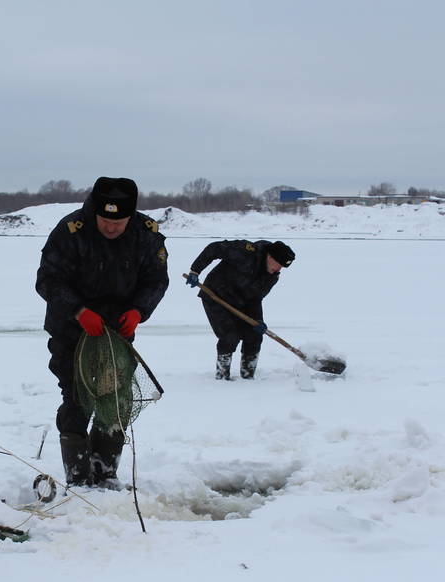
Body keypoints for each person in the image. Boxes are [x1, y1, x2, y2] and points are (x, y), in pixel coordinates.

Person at [36, 177, 169, 487]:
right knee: (76, 398)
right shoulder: (71, 231)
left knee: (117, 399)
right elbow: (48, 280)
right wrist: (78, 311)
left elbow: (156, 280)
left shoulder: (145, 234)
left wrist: (139, 310)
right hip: (72, 329)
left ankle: (105, 473)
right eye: (106, 221)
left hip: (118, 331)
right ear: (95, 211)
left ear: (131, 215)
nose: (112, 228)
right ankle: (79, 478)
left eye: (119, 221)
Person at [185, 239, 295, 380]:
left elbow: (256, 299)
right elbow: (214, 248)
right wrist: (195, 270)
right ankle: (222, 377)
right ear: (270, 256)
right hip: (215, 296)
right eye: (279, 264)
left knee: (254, 335)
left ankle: (248, 376)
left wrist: (258, 320)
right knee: (230, 335)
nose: (279, 269)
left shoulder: (271, 277)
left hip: (241, 303)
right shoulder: (244, 252)